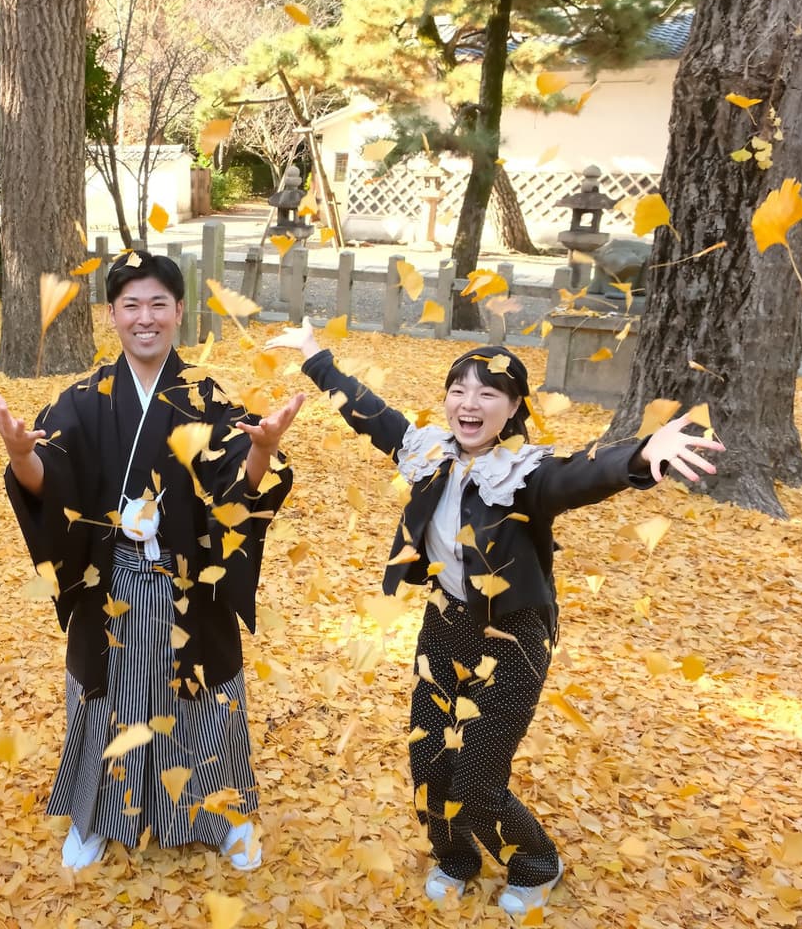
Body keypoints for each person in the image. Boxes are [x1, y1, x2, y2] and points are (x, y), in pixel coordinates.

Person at [266, 319, 721, 918]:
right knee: (429, 758)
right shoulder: (428, 452)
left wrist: (639, 456)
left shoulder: (526, 475)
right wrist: (313, 354)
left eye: (488, 393)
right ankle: (455, 858)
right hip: (443, 624)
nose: (469, 403)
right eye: (459, 389)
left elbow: (580, 473)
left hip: (513, 638)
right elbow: (369, 411)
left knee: (478, 775)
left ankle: (536, 862)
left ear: (511, 408)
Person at [0, 252, 302, 871]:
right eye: (131, 304)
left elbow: (234, 481)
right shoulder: (81, 400)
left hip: (189, 580)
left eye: (159, 303)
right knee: (112, 699)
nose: (145, 317)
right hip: (111, 579)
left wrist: (262, 452)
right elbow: (48, 479)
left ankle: (225, 816)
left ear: (180, 312)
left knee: (204, 696)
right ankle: (97, 815)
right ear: (111, 315)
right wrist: (21, 456)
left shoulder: (208, 400)